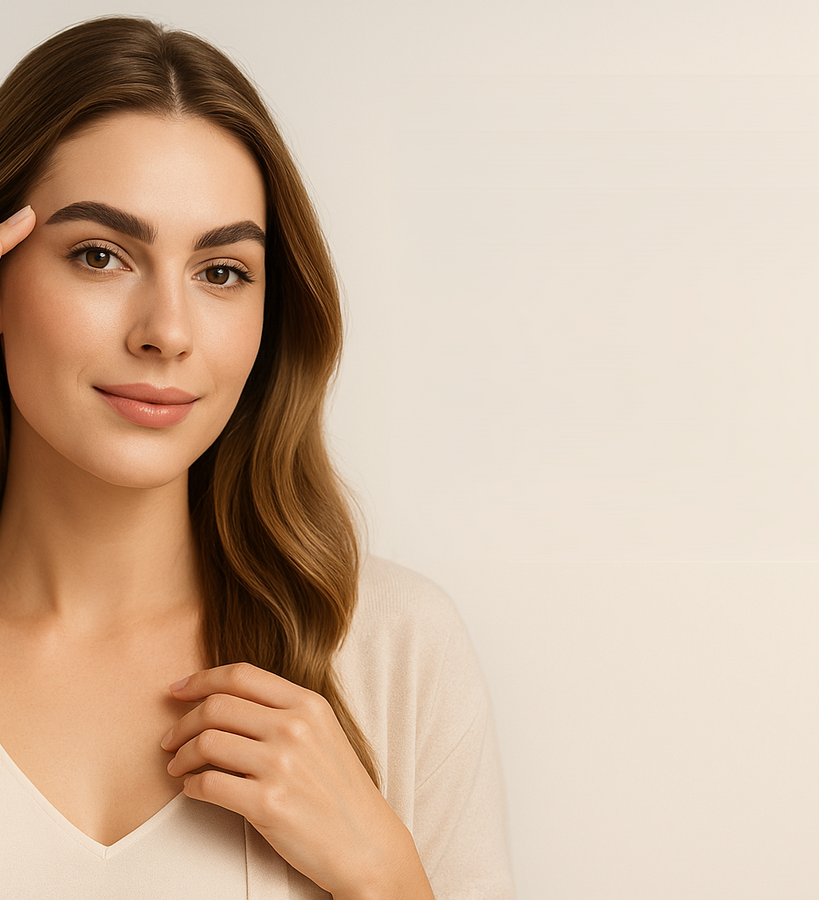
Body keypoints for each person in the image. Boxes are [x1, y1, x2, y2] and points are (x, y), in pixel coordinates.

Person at [0, 15, 514, 899]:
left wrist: (385, 877)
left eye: (223, 272)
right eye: (99, 255)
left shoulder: (393, 650)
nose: (166, 332)